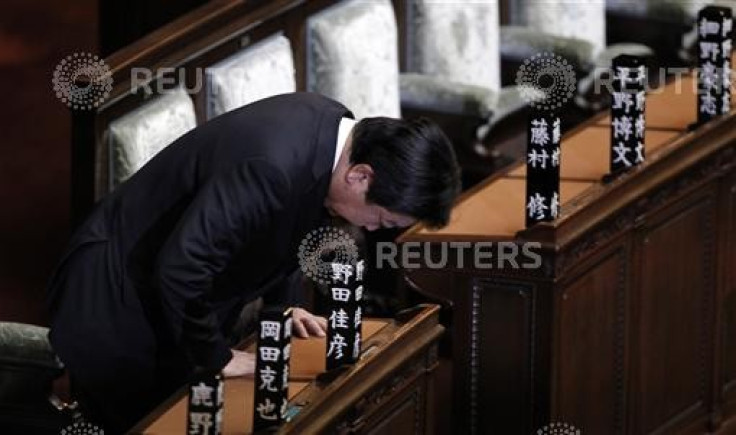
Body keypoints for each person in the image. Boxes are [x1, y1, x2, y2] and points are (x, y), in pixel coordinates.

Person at [45, 92, 460, 433]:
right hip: (115, 302)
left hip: (173, 299)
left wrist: (282, 310)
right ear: (361, 176)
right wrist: (218, 357)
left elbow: (293, 218)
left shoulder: (335, 136)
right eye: (382, 219)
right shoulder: (273, 165)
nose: (372, 230)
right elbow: (182, 267)